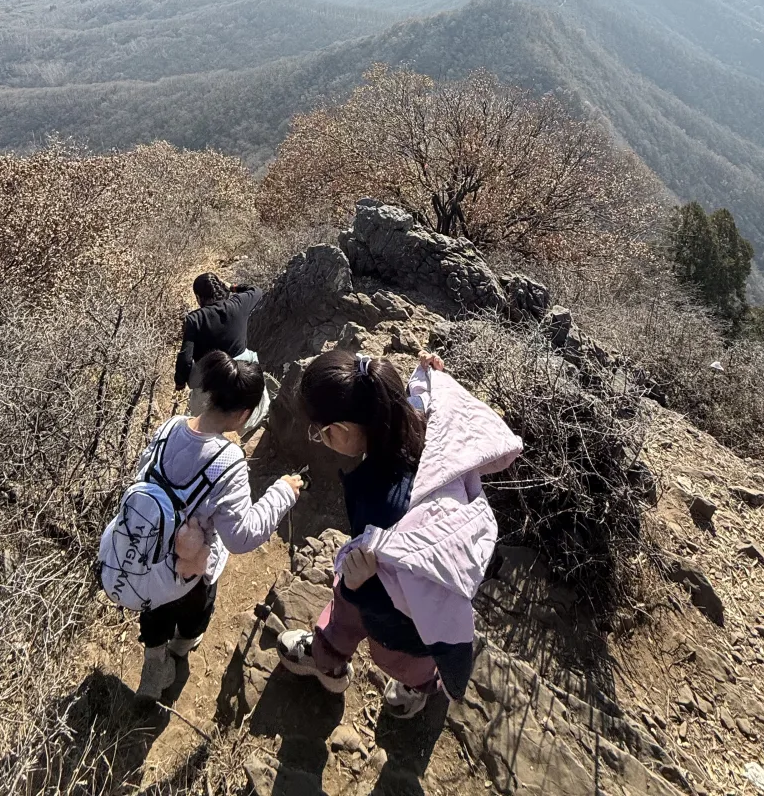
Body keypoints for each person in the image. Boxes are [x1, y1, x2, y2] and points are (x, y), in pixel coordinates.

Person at [275, 349, 521, 719]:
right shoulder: (414, 420)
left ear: (341, 430)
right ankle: (327, 656)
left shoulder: (382, 504)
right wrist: (430, 377)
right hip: (373, 568)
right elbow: (421, 399)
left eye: (320, 432)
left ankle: (419, 684)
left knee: (396, 656)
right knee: (343, 613)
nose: (319, 438)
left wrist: (359, 586)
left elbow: (406, 598)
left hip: (403, 622)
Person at [110, 350, 303, 700]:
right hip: (191, 570)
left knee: (155, 607)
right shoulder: (229, 461)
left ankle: (153, 668)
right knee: (194, 612)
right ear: (243, 414)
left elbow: (143, 475)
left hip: (146, 553)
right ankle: (180, 649)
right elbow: (241, 537)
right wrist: (282, 493)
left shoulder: (170, 427)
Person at [175, 274, 269, 436]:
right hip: (242, 368)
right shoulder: (238, 304)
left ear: (198, 297)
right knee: (250, 359)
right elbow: (256, 290)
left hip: (210, 373)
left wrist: (180, 382)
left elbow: (185, 357)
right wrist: (233, 287)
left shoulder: (194, 319)